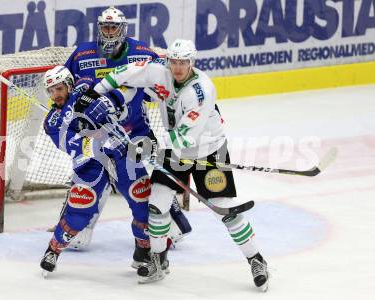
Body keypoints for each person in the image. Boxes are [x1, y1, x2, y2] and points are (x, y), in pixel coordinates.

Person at [93, 39, 270, 291]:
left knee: (225, 210)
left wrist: (152, 147)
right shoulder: (159, 72)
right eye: (174, 62)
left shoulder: (201, 90)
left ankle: (256, 259)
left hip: (208, 151)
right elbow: (125, 72)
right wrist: (95, 91)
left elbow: (187, 136)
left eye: (183, 62)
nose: (177, 67)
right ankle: (158, 259)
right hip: (174, 150)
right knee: (157, 206)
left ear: (192, 62)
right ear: (168, 61)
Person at [39, 64, 191, 276]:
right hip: (90, 163)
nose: (55, 94)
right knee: (81, 208)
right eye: (51, 90)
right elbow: (69, 145)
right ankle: (53, 250)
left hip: (123, 153)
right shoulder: (53, 121)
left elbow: (128, 90)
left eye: (59, 88)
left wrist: (110, 103)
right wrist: (97, 139)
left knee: (141, 200)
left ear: (69, 85)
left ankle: (144, 253)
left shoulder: (87, 88)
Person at [61, 6, 191, 252]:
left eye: (114, 27)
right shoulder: (82, 53)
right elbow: (66, 87)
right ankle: (78, 226)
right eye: (105, 27)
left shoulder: (141, 51)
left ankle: (169, 225)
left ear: (122, 29)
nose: (109, 32)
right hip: (96, 134)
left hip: (135, 130)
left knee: (146, 179)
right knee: (90, 175)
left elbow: (163, 83)